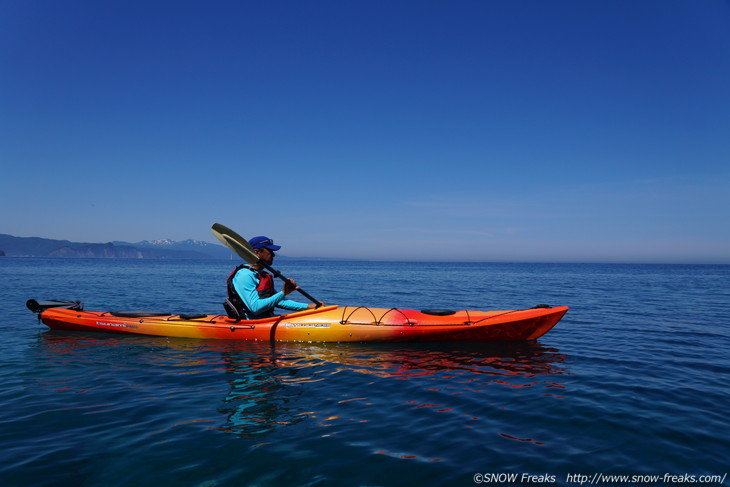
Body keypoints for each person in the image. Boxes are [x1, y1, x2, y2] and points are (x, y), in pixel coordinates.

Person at [226, 236, 319, 320]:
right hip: (251, 323)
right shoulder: (245, 275)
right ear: (256, 252)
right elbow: (255, 308)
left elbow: (278, 301)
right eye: (270, 251)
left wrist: (308, 307)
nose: (273, 255)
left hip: (266, 319)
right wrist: (283, 292)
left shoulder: (261, 274)